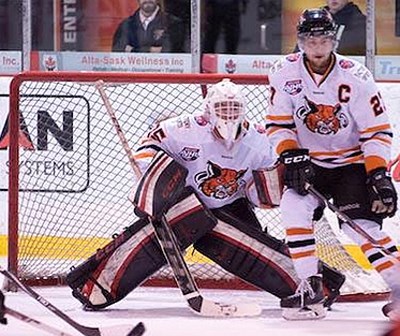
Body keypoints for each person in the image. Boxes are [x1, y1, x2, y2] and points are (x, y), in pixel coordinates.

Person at [65, 79, 344, 316]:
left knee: (254, 251)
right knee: (164, 231)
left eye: (234, 108)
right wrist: (150, 179)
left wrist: (301, 188)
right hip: (181, 204)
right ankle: (94, 284)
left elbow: (283, 173)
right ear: (208, 110)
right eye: (222, 108)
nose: (228, 114)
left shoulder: (260, 139)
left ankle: (318, 284)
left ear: (244, 111)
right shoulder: (184, 128)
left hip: (232, 207)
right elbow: (147, 148)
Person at [266, 8, 400, 320]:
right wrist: (290, 153)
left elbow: (376, 131)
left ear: (332, 40)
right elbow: (278, 124)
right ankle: (311, 290)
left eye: (323, 38)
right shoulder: (283, 73)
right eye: (310, 39)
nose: (316, 45)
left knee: (361, 228)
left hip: (350, 164)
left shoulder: (356, 76)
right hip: (309, 163)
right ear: (300, 41)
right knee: (292, 207)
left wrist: (378, 174)